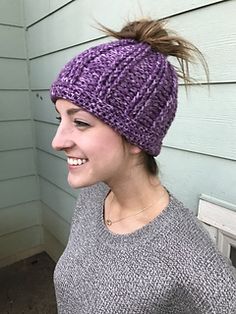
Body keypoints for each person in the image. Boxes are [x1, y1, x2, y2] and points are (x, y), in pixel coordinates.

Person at [50, 18, 236, 313]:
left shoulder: (190, 258)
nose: (57, 141)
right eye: (60, 119)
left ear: (136, 137)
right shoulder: (93, 194)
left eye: (81, 122)